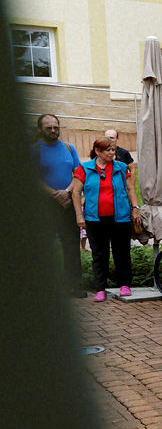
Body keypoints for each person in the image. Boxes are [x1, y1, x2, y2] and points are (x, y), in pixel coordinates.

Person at [70, 137, 139, 301]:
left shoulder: (122, 168)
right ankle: (100, 289)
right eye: (108, 150)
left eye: (113, 150)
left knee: (122, 253)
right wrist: (79, 216)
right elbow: (75, 192)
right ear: (97, 151)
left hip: (120, 218)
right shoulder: (85, 168)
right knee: (99, 255)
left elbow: (130, 189)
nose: (112, 153)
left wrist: (135, 209)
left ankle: (124, 285)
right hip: (95, 220)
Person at [31, 113, 84, 294]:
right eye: (49, 128)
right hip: (44, 205)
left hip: (68, 204)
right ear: (40, 129)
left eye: (56, 127)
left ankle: (74, 286)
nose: (53, 131)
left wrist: (67, 191)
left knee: (71, 246)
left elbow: (78, 174)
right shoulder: (34, 150)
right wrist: (54, 194)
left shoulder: (69, 148)